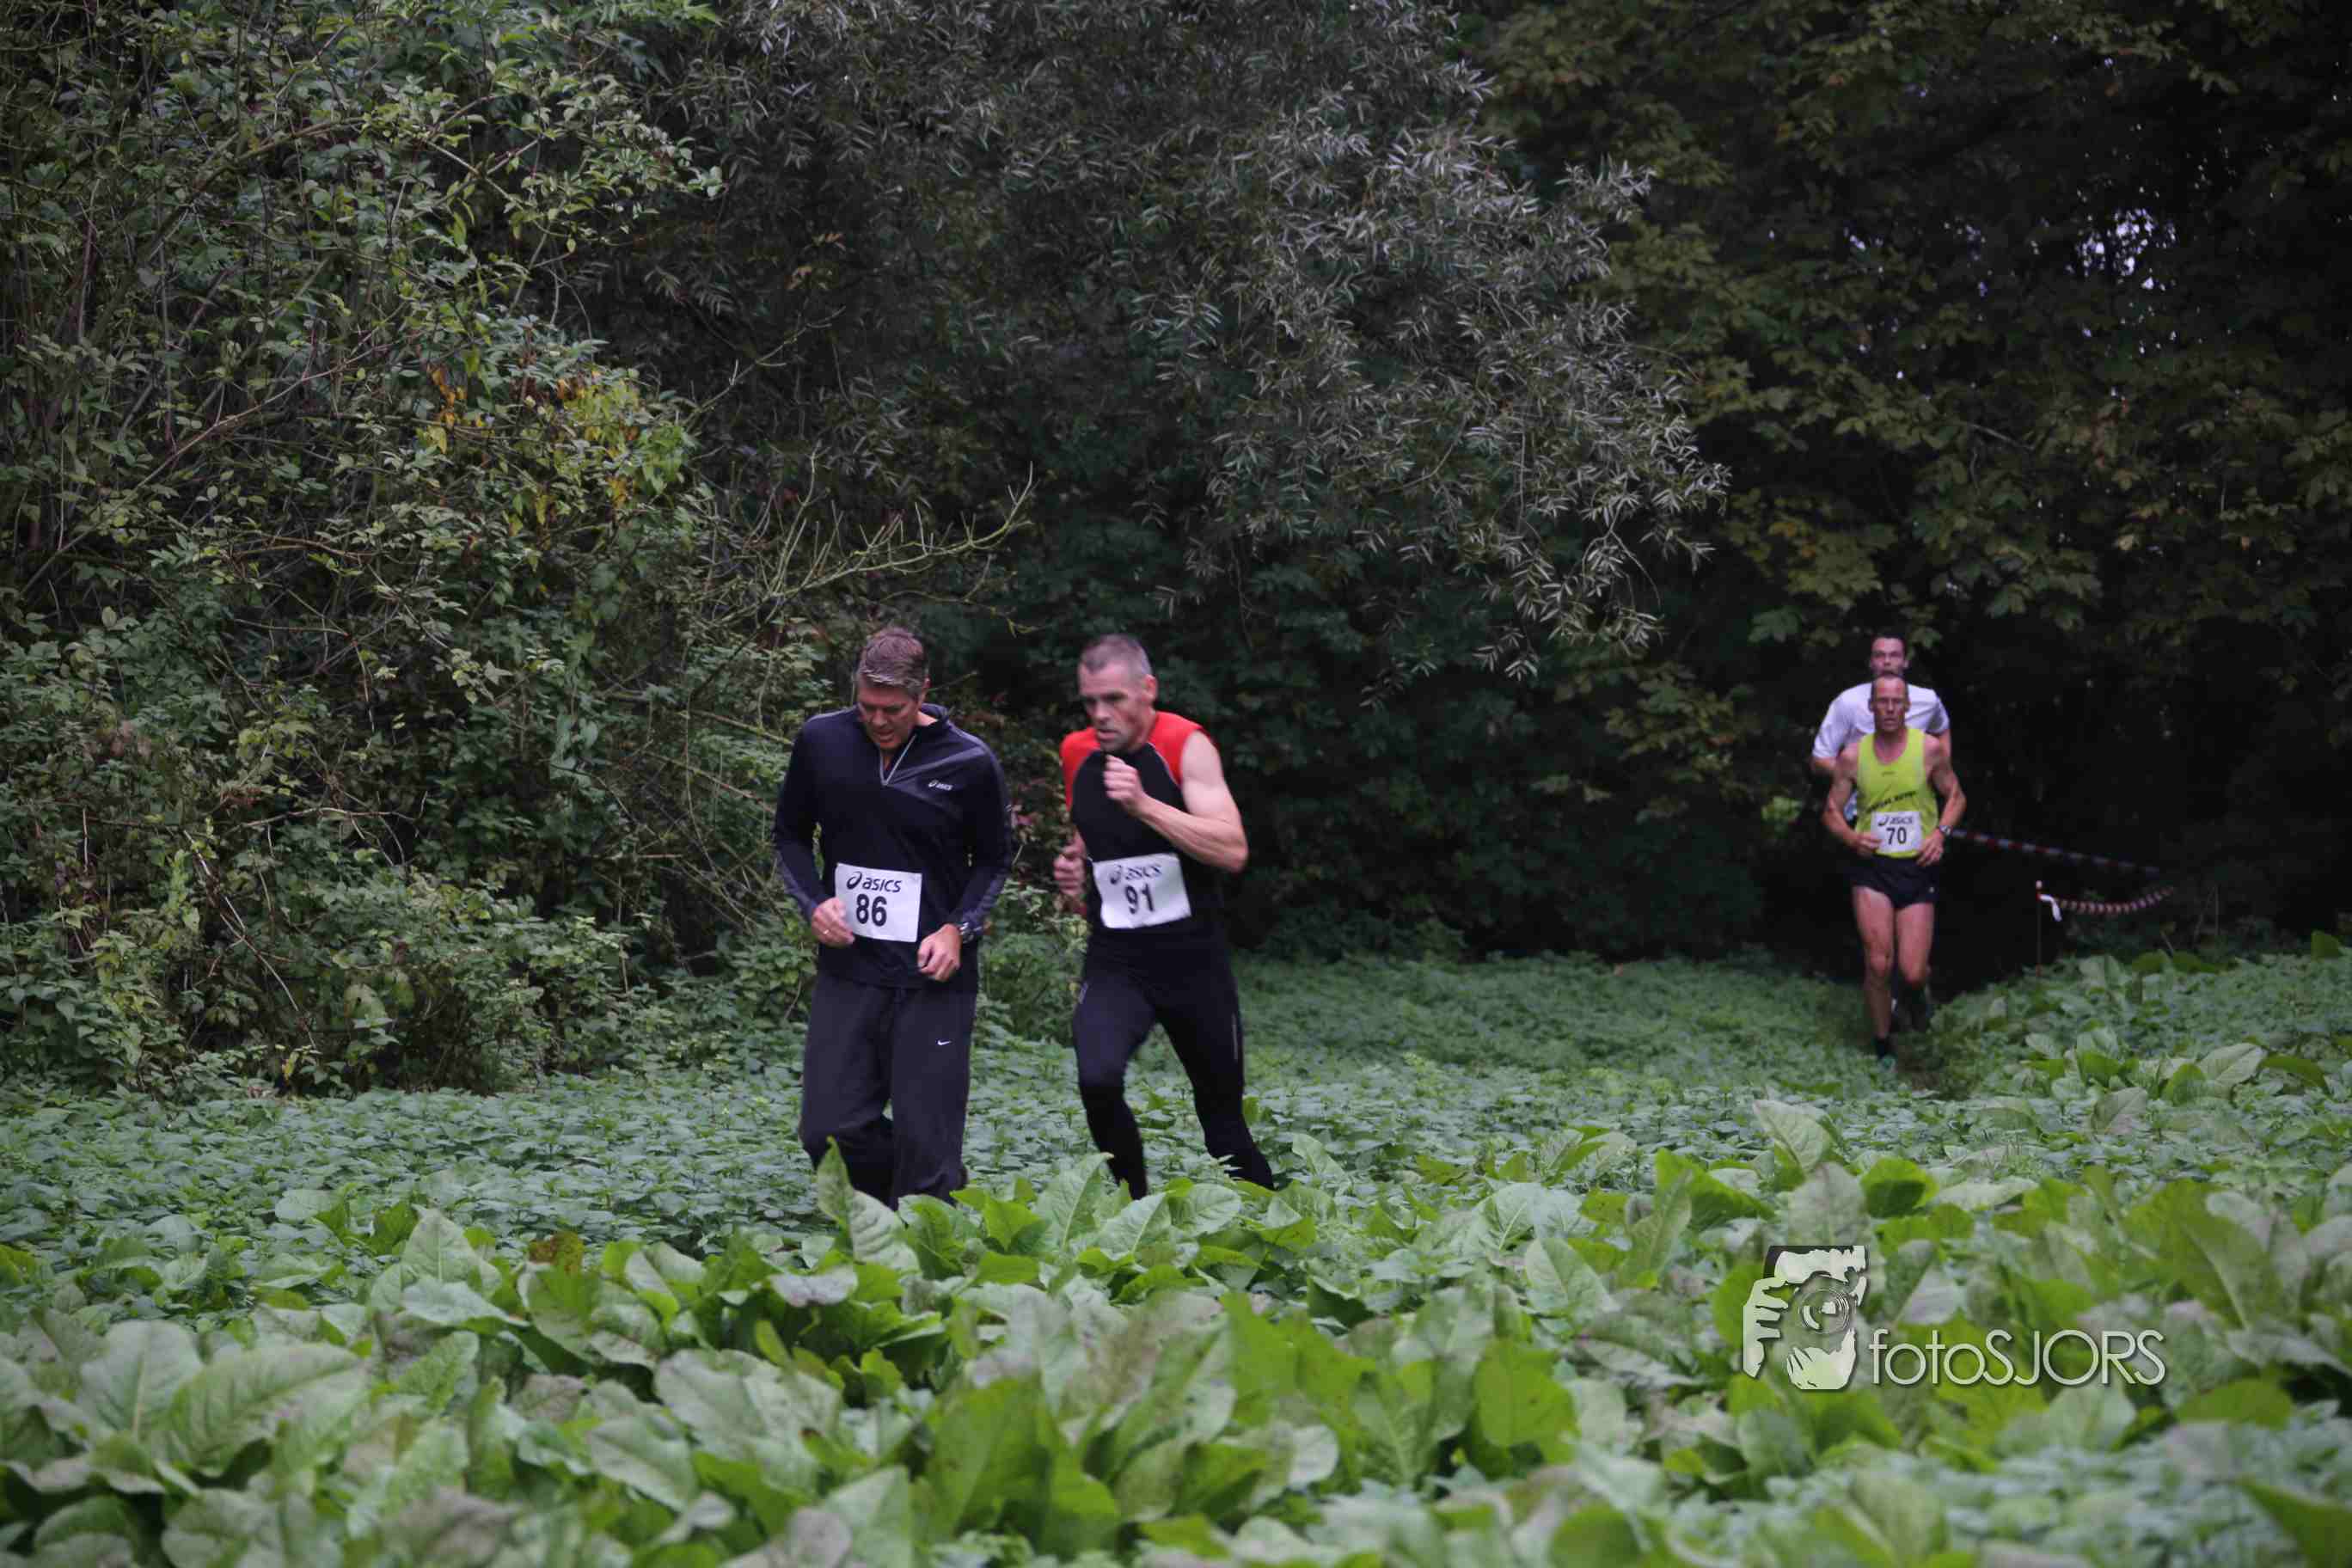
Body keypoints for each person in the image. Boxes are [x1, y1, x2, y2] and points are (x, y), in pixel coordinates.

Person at [772, 627, 1012, 1206]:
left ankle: (925, 1221)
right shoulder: (822, 741)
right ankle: (904, 1203)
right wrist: (814, 903)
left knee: (928, 1149)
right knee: (827, 1131)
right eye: (867, 707)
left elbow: (994, 861)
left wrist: (959, 929)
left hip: (934, 977)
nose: (878, 721)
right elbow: (789, 836)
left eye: (893, 710)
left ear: (922, 693)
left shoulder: (969, 761)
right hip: (851, 968)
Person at [1050, 634, 1278, 1197]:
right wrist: (1074, 876)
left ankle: (1276, 1221)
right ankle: (1134, 1209)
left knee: (1222, 1125)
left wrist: (1146, 805)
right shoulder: (1076, 752)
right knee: (1097, 1080)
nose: (1101, 714)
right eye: (1090, 701)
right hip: (1117, 960)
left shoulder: (1185, 745)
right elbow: (1096, 844)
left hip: (1193, 962)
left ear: (1147, 690)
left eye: (1114, 699)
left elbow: (1232, 850)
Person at [1822, 675, 1966, 1061]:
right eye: (1882, 702)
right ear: (1871, 707)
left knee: (1913, 971)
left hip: (1917, 867)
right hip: (1873, 869)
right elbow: (1831, 812)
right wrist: (1851, 838)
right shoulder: (1853, 756)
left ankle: (1915, 997)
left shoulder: (1930, 749)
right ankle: (1883, 1044)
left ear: (1907, 707)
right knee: (1878, 962)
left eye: (1896, 702)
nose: (1889, 709)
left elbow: (1956, 797)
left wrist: (1940, 834)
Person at [1810, 633, 1954, 794]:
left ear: (1906, 661)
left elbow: (1942, 729)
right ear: (1871, 662)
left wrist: (1941, 767)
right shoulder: (1848, 701)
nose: (1887, 662)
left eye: (1894, 655)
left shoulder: (1927, 700)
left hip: (1916, 802)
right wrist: (1864, 779)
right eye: (1879, 655)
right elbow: (1820, 760)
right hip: (1862, 803)